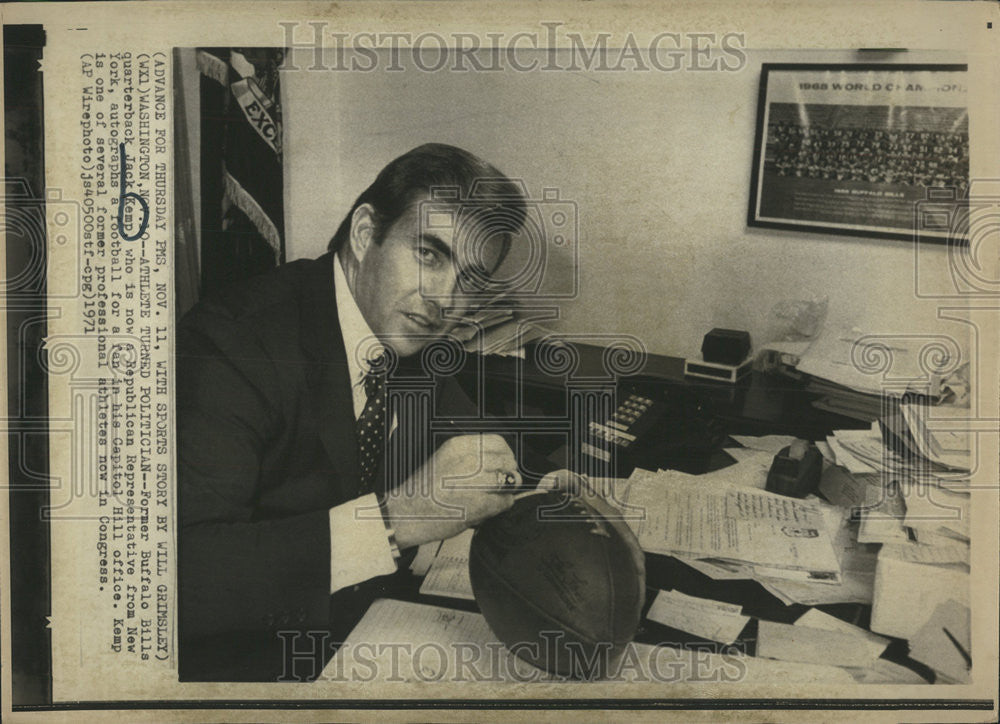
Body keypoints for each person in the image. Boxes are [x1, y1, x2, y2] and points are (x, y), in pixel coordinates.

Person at [177, 143, 528, 681]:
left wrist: (531, 488)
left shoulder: (403, 331)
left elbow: (472, 439)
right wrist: (393, 521)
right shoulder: (231, 345)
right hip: (245, 662)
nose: (447, 302)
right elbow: (181, 578)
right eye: (429, 255)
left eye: (472, 280)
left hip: (362, 628)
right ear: (365, 235)